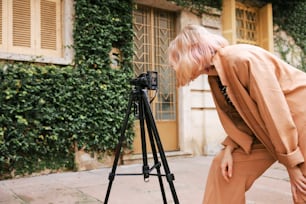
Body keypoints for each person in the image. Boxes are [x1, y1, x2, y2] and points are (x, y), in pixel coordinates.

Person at [167, 24, 306, 204]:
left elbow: (274, 110)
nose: (176, 68)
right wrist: (230, 148)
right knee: (223, 168)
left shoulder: (239, 59)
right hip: (268, 128)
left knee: (302, 189)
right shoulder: (214, 75)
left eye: (177, 61)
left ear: (193, 51)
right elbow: (239, 118)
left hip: (297, 117)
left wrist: (292, 164)